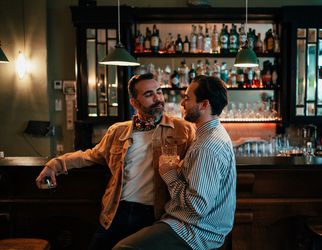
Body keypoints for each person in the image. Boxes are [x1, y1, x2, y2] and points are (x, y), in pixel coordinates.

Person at [35, 73, 195, 250]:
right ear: (134, 102)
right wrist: (54, 164)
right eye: (149, 94)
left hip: (157, 215)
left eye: (158, 91)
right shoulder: (118, 132)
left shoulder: (184, 129)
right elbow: (90, 155)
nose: (157, 98)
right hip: (118, 210)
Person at [113, 75, 237, 250]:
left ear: (204, 105)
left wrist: (169, 173)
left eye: (187, 98)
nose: (182, 104)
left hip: (194, 231)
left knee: (123, 248)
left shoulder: (206, 147)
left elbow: (197, 207)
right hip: (193, 224)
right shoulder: (212, 133)